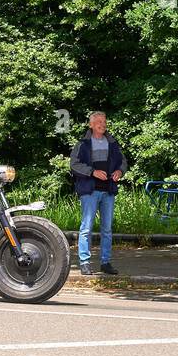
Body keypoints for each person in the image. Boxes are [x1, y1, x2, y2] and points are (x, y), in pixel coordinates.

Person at [69, 111, 126, 276]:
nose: (102, 124)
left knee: (107, 229)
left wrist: (119, 172)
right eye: (99, 121)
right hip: (90, 191)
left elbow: (123, 162)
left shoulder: (112, 143)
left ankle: (105, 263)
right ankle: (85, 263)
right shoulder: (83, 144)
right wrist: (92, 172)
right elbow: (74, 165)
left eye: (104, 121)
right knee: (86, 228)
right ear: (91, 125)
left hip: (108, 190)